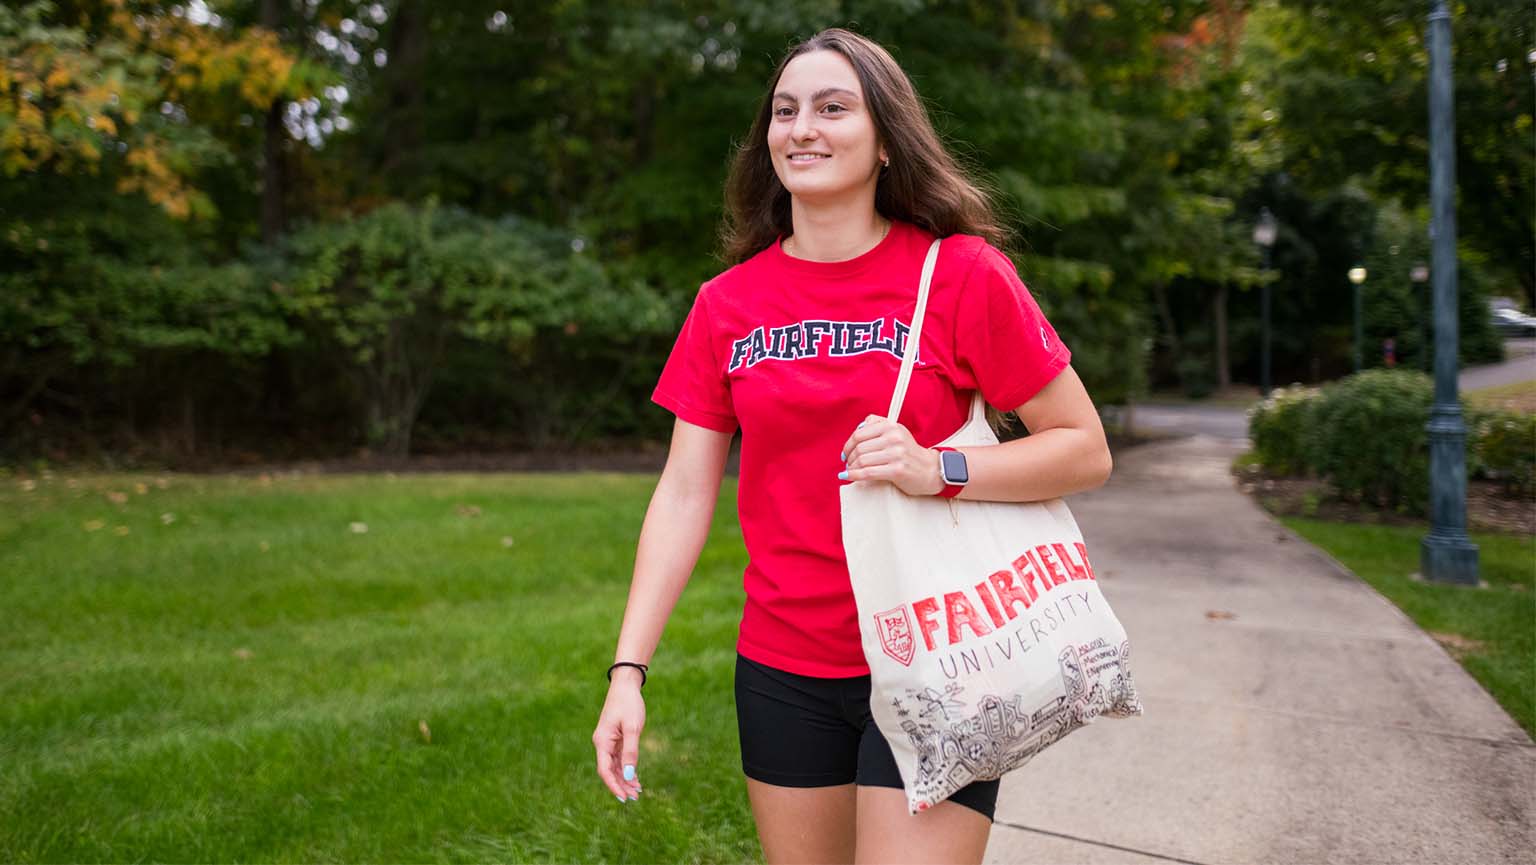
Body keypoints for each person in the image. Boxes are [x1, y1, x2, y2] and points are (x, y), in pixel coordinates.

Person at [592, 27, 1113, 865]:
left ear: (883, 142)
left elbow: (1084, 448)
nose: (803, 127)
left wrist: (936, 467)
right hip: (783, 666)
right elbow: (684, 493)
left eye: (834, 108)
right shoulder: (727, 304)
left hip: (944, 655)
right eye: (785, 109)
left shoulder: (962, 275)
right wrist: (628, 671)